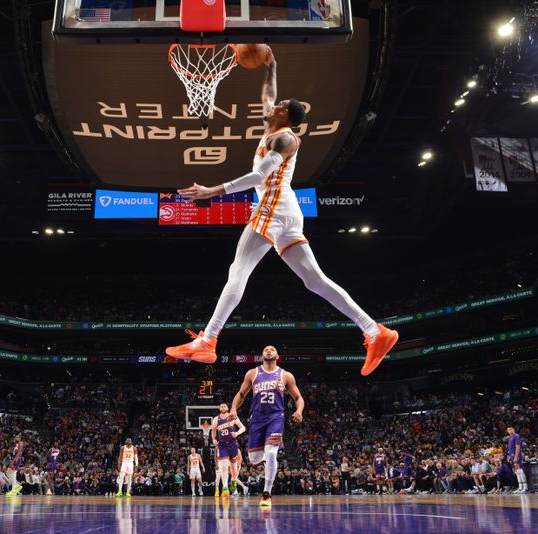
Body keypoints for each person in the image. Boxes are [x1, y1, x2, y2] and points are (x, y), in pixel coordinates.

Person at [165, 47, 398, 377]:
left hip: (274, 209)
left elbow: (259, 177)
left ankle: (209, 339)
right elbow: (268, 94)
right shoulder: (273, 129)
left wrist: (212, 191)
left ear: (286, 116)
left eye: (278, 107)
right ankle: (376, 332)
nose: (271, 106)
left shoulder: (286, 140)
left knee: (240, 270)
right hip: (281, 211)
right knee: (313, 280)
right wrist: (270, 66)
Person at [230, 345, 304, 508]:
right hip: (256, 418)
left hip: (276, 417)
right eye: (265, 349)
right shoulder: (253, 373)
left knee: (271, 453)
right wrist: (233, 409)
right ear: (261, 355)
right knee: (254, 459)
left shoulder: (285, 375)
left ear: (277, 355)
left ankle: (266, 493)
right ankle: (264, 458)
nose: (268, 350)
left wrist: (299, 410)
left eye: (272, 349)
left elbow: (298, 397)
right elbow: (241, 394)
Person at [212, 402, 246, 497]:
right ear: (219, 409)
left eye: (224, 406)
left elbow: (243, 427)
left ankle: (234, 481)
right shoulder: (216, 419)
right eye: (221, 406)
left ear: (227, 408)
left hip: (232, 444)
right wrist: (214, 439)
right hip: (222, 445)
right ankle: (225, 487)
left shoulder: (233, 416)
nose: (223, 407)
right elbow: (213, 430)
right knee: (223, 466)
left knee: (233, 468)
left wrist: (237, 433)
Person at [507, 427, 528, 493]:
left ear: (514, 430)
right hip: (512, 456)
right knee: (516, 472)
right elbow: (510, 449)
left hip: (516, 456)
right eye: (508, 430)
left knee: (520, 471)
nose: (510, 431)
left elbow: (517, 447)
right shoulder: (510, 438)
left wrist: (516, 456)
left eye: (511, 429)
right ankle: (520, 487)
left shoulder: (516, 436)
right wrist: (510, 456)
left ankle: (525, 487)